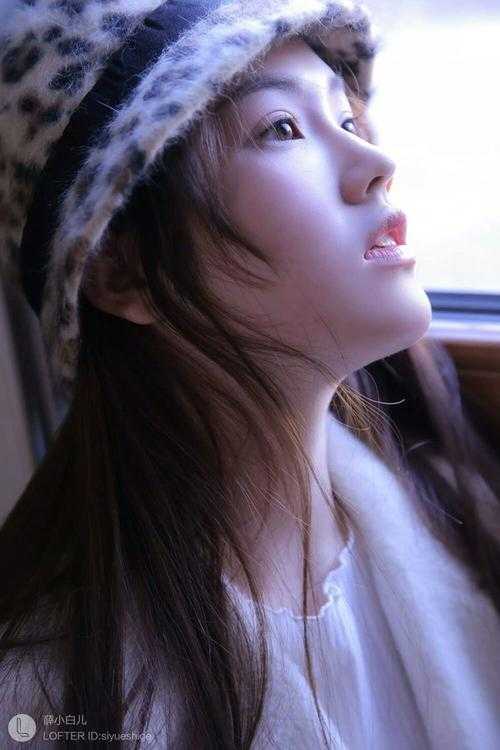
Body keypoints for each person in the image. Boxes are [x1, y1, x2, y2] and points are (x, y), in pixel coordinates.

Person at [0, 0, 500, 747]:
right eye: (282, 129)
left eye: (349, 119)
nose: (376, 166)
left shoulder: (460, 512)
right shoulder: (50, 703)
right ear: (121, 271)